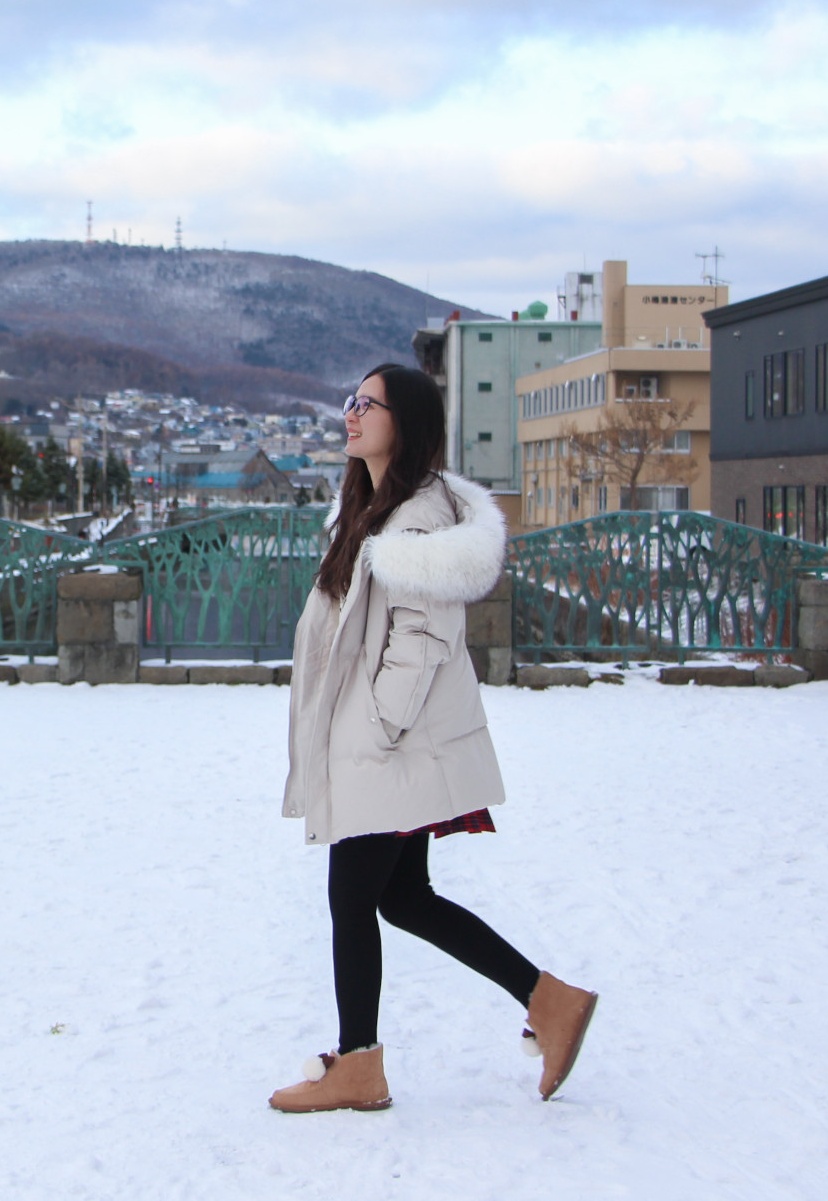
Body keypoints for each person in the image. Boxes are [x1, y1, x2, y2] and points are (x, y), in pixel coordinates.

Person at [269, 363, 598, 1113]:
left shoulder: (414, 520)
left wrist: (376, 727)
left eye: (368, 404)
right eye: (349, 400)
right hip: (390, 740)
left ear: (405, 421)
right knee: (405, 897)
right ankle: (550, 1001)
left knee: (354, 899)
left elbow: (420, 638)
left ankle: (359, 1066)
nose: (350, 414)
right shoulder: (379, 506)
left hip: (388, 742)